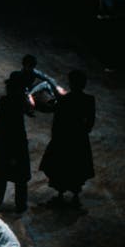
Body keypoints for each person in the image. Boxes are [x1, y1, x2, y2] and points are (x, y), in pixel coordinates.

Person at [39, 69, 95, 205]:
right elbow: (90, 121)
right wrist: (83, 131)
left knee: (61, 166)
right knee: (77, 166)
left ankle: (61, 194)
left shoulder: (65, 100)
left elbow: (57, 121)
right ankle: (75, 195)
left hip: (64, 138)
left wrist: (56, 137)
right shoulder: (88, 100)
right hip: (79, 138)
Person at [0, 73, 31, 214]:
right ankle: (20, 204)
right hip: (15, 144)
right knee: (18, 178)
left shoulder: (6, 101)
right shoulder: (17, 102)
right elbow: (16, 129)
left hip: (5, 144)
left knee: (2, 176)